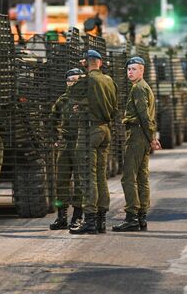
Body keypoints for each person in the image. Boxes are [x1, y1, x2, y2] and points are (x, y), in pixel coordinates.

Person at [70, 49, 118, 235]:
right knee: (100, 176)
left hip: (90, 130)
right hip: (105, 129)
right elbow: (115, 107)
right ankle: (101, 220)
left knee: (87, 175)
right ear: (100, 62)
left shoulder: (88, 80)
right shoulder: (109, 81)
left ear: (87, 62)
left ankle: (89, 219)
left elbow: (72, 92)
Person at [113, 57, 161, 232]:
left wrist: (151, 137)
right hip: (143, 134)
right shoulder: (144, 87)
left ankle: (132, 216)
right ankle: (141, 216)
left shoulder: (139, 89)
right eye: (128, 69)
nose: (130, 72)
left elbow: (144, 115)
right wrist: (151, 137)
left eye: (134, 69)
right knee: (142, 177)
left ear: (142, 71)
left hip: (136, 134)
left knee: (128, 177)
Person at [49, 68, 84, 230]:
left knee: (79, 182)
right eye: (70, 80)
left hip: (80, 143)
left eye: (75, 79)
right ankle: (61, 216)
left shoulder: (85, 99)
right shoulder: (62, 100)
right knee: (61, 181)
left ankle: (77, 216)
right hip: (66, 144)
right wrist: (56, 138)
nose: (72, 82)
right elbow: (52, 120)